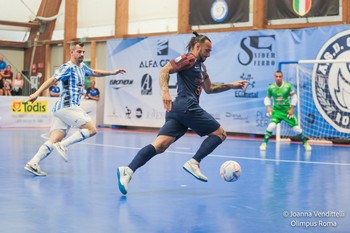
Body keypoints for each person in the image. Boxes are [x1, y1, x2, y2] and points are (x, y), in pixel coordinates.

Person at [116, 32, 247, 195]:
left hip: (178, 112)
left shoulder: (202, 67)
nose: (209, 54)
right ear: (197, 46)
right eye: (207, 50)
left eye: (210, 51)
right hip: (186, 105)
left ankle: (128, 170)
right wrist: (165, 92)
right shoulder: (188, 58)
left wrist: (232, 86)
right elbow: (164, 71)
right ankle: (195, 162)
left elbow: (210, 88)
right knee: (220, 134)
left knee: (160, 146)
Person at [24, 42, 126, 176]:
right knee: (91, 129)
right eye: (79, 52)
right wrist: (36, 93)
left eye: (83, 52)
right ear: (71, 52)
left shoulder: (82, 67)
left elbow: (95, 72)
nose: (82, 54)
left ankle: (33, 162)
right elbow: (52, 79)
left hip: (61, 109)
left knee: (55, 139)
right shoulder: (67, 67)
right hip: (68, 106)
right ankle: (64, 145)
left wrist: (112, 72)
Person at [259, 70, 311, 151]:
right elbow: (267, 98)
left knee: (297, 129)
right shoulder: (271, 87)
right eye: (276, 76)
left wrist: (292, 109)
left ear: (282, 77)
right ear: (274, 77)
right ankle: (264, 143)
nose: (278, 78)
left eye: (280, 76)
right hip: (276, 112)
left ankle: (305, 143)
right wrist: (268, 107)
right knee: (271, 126)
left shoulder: (288, 86)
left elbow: (294, 97)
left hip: (287, 111)